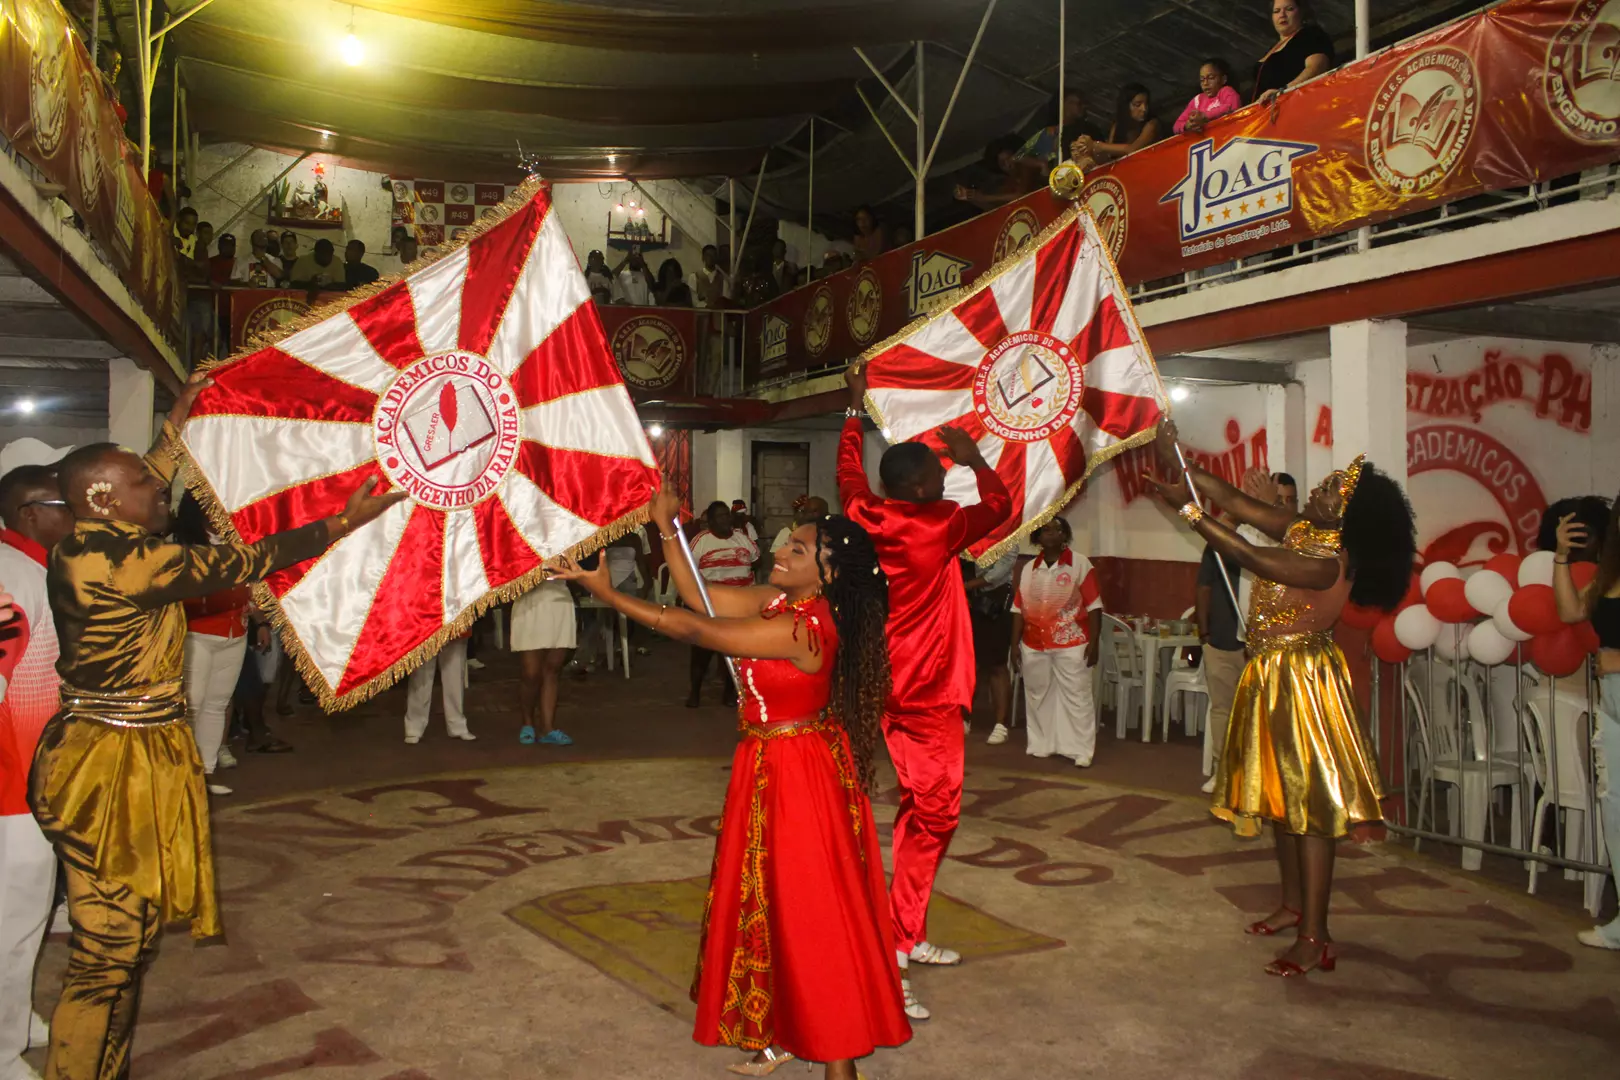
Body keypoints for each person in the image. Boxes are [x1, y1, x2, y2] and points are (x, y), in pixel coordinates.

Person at [28, 377, 403, 1080]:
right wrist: (337, 524)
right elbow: (240, 562)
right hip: (107, 764)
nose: (161, 489)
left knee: (129, 943)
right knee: (107, 951)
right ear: (107, 498)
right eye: (145, 483)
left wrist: (176, 423)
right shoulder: (116, 559)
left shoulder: (101, 537)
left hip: (133, 748)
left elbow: (148, 473)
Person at [549, 486, 910, 1080]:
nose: (783, 551)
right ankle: (785, 1030)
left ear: (827, 571)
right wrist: (667, 529)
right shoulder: (779, 605)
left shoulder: (806, 630)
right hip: (771, 762)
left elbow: (694, 630)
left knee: (808, 906)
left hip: (798, 771)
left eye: (798, 548)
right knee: (768, 898)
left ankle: (840, 1058)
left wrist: (607, 593)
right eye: (788, 543)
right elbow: (698, 596)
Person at [1150, 421, 1415, 978]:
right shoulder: (1302, 531)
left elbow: (1251, 558)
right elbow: (1236, 501)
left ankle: (1316, 935)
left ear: (1347, 516)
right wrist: (1174, 453)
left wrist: (1191, 514)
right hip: (1270, 675)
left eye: (1329, 492)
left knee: (1311, 809)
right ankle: (1294, 905)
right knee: (1280, 800)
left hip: (1302, 682)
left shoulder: (1328, 561)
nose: (1317, 491)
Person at [839, 367, 1012, 1019]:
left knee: (924, 809)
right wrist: (977, 458)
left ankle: (908, 932)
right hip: (927, 690)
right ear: (919, 487)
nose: (946, 480)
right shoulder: (937, 523)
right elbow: (1000, 508)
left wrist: (854, 411)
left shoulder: (864, 512)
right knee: (935, 814)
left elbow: (851, 473)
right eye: (939, 476)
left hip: (883, 681)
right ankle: (891, 949)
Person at [0, 466, 74, 1080]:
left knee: (27, 918)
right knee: (10, 920)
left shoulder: (32, 570)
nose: (75, 513)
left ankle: (16, 1020)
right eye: (63, 504)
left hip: (30, 781)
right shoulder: (13, 576)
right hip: (10, 788)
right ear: (30, 513)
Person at [1552, 501, 1620, 951]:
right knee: (1615, 811)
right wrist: (1560, 556)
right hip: (1613, 704)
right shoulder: (1609, 575)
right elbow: (1571, 611)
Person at [173, 495, 253, 796]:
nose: (222, 511)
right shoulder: (183, 546)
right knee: (191, 705)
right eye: (214, 505)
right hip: (198, 634)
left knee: (216, 704)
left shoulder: (237, 540)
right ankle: (184, 774)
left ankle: (204, 772)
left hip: (235, 632)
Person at [1010, 518, 1103, 766]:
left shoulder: (1080, 564)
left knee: (1077, 696)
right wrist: (1014, 646)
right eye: (1047, 530)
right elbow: (1018, 609)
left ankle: (1081, 750)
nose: (1053, 534)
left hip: (1071, 643)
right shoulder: (1029, 569)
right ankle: (1042, 744)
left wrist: (1094, 643)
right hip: (1033, 643)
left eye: (1059, 530)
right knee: (1038, 694)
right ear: (1037, 537)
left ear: (1066, 536)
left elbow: (1095, 607)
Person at [688, 502, 759, 708]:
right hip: (711, 604)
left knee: (735, 650)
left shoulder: (741, 537)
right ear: (710, 521)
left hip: (740, 606)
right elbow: (689, 569)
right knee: (703, 650)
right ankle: (695, 692)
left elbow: (757, 560)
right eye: (719, 516)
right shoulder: (701, 541)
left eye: (727, 515)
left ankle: (730, 693)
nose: (725, 519)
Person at [1196, 534, 1246, 796]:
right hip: (1220, 641)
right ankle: (1222, 772)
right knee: (1222, 710)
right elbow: (1203, 587)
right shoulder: (1219, 542)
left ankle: (1253, 776)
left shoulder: (1278, 544)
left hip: (1258, 646)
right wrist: (1204, 634)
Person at [571, 533, 650, 677]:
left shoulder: (634, 538)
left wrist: (646, 584)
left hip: (628, 581)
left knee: (630, 619)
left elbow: (641, 562)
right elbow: (598, 561)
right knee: (598, 618)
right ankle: (584, 658)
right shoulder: (608, 535)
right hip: (608, 581)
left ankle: (626, 651)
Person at [510, 580, 576, 746]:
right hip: (529, 598)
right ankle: (527, 723)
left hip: (559, 599)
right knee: (531, 673)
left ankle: (548, 728)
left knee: (552, 669)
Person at [967, 551, 1018, 745]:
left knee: (997, 663)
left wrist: (966, 585)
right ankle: (965, 718)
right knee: (972, 663)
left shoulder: (1008, 535)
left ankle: (1000, 725)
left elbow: (999, 572)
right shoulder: (973, 533)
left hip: (997, 599)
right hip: (972, 600)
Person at [1252, 0, 1336, 105]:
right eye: (1276, 11)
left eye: (1289, 9)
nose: (1282, 15)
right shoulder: (1270, 49)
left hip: (1298, 104)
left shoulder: (1310, 34)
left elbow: (1317, 67)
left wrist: (1284, 91)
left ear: (1301, 13)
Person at [403, 634, 475, 745]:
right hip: (426, 621)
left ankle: (457, 724)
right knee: (422, 675)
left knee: (454, 672)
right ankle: (414, 727)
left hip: (454, 618)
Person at [1072, 84, 1162, 165]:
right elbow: (1109, 155)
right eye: (1137, 105)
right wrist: (1085, 149)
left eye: (1146, 104)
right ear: (1126, 106)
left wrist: (1097, 145)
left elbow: (1133, 149)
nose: (1144, 109)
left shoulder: (1152, 124)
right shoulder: (1117, 125)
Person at [1020, 88, 1102, 165]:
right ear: (1065, 104)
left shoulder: (1091, 129)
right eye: (1079, 103)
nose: (1083, 107)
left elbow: (1103, 155)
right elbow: (1021, 157)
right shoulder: (1051, 132)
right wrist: (1041, 164)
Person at [1174, 58, 1244, 135]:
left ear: (1223, 79)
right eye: (1202, 79)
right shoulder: (1197, 100)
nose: (1205, 83)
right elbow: (1176, 126)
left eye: (1211, 78)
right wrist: (1187, 126)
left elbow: (1232, 107)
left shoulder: (1226, 91)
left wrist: (1204, 116)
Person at [693, 244, 730, 308]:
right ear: (703, 258)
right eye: (708, 255)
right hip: (701, 315)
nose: (711, 258)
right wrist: (705, 306)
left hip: (718, 315)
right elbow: (693, 299)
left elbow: (726, 299)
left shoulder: (723, 279)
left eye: (713, 255)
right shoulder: (694, 277)